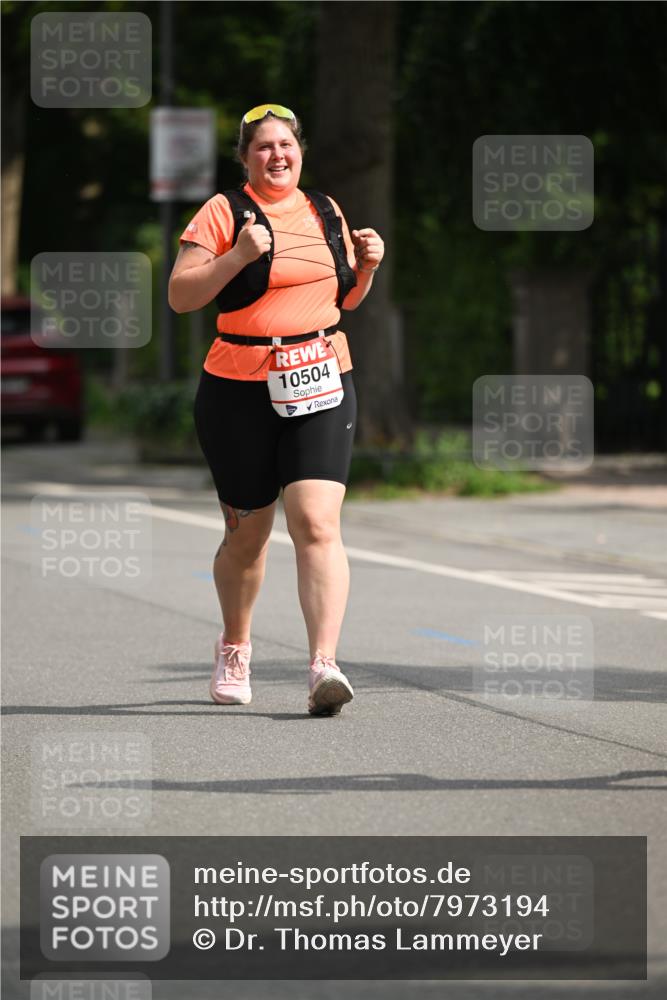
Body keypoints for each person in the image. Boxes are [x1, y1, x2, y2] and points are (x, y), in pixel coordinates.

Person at [168, 103, 384, 716]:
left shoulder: (324, 209)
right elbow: (181, 297)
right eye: (262, 147)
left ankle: (324, 666)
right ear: (245, 158)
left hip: (321, 376)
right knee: (248, 538)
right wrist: (236, 255)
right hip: (239, 386)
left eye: (285, 145)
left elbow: (343, 296)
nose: (277, 156)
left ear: (300, 151)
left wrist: (366, 266)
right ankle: (235, 644)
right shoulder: (222, 212)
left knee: (316, 521)